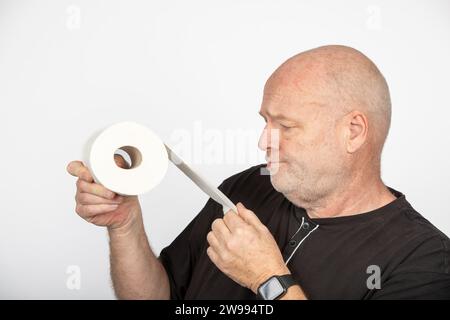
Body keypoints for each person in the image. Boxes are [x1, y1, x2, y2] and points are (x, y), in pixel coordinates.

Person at [67, 45, 450, 299]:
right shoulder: (247, 188)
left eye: (285, 125)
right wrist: (124, 225)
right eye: (265, 121)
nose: (263, 141)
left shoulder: (423, 258)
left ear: (352, 132)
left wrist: (269, 279)